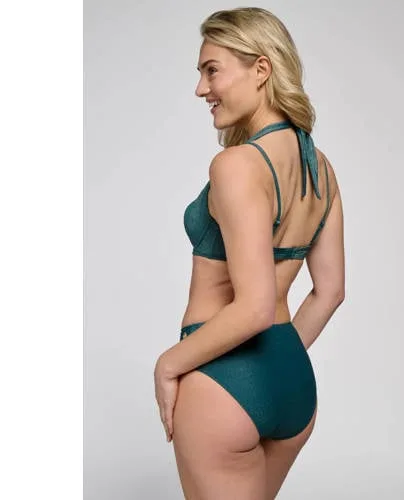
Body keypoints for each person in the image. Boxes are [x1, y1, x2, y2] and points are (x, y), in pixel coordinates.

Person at [154, 7, 345, 499]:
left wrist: (169, 364)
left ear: (261, 69)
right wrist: (276, 363)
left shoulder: (236, 165)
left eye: (211, 70)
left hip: (224, 382)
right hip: (291, 379)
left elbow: (255, 306)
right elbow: (330, 292)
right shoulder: (320, 169)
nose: (201, 88)